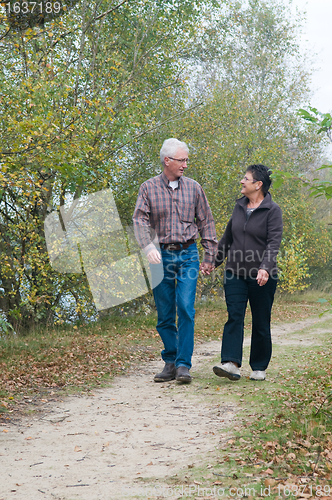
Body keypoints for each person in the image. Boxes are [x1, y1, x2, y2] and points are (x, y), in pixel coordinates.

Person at [133, 138, 218, 384]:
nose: (185, 165)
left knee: (185, 308)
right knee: (165, 313)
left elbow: (206, 223)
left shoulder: (194, 188)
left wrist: (209, 256)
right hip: (160, 256)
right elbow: (139, 221)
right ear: (167, 161)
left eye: (187, 160)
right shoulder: (148, 188)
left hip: (188, 255)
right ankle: (170, 361)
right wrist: (147, 245)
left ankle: (183, 365)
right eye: (182, 160)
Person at [213, 164, 283, 382]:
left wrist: (265, 267)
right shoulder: (239, 206)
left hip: (262, 276)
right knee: (235, 316)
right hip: (235, 272)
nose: (242, 181)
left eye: (246, 178)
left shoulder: (272, 210)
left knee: (261, 321)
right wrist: (212, 261)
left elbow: (273, 243)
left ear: (258, 184)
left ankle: (259, 366)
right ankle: (231, 363)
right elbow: (227, 238)